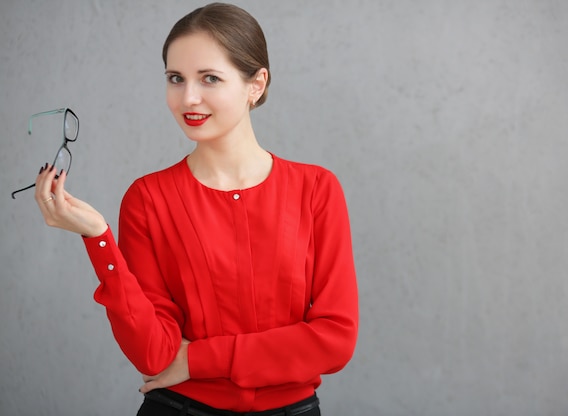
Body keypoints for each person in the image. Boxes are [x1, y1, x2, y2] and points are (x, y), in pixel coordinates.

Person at [33, 2, 358, 415]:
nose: (188, 97)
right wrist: (97, 237)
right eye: (176, 78)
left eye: (209, 78)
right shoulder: (148, 199)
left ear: (256, 84)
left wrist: (198, 359)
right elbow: (154, 355)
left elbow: (335, 340)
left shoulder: (317, 190)